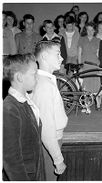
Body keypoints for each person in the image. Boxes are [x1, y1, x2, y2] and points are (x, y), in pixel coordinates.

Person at [3, 54, 45, 181]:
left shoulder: (25, 100)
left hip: (34, 170)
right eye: (34, 74)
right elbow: (11, 158)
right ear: (19, 77)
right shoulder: (10, 108)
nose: (37, 78)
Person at [32, 40, 68, 180]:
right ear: (45, 57)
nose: (62, 58)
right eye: (57, 54)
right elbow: (46, 128)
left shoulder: (44, 80)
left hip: (51, 142)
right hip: (49, 145)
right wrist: (58, 159)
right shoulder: (44, 85)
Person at [78, 22, 101, 113]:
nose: (90, 31)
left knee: (95, 84)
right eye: (88, 30)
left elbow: (98, 54)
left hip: (94, 64)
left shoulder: (97, 40)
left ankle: (97, 103)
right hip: (85, 64)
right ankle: (86, 104)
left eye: (92, 30)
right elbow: (79, 53)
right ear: (86, 30)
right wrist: (80, 66)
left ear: (94, 30)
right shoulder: (82, 39)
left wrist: (99, 67)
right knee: (85, 86)